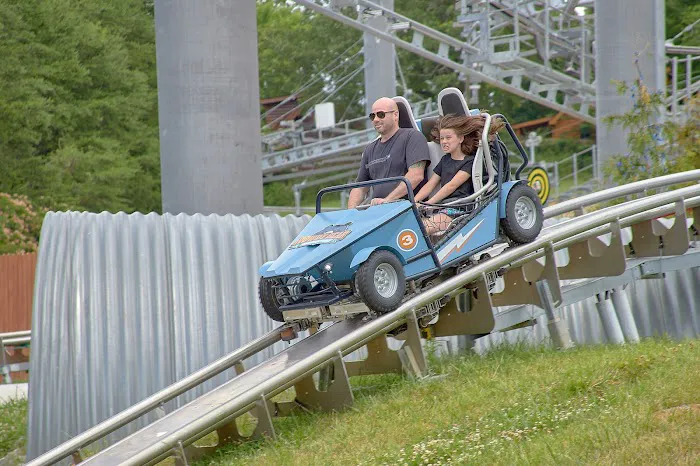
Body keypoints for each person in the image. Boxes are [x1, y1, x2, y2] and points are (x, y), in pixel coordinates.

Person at [413, 114, 503, 236]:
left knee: (422, 230)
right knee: (413, 228)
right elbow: (430, 184)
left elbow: (451, 186)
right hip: (443, 206)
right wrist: (414, 202)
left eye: (448, 138)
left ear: (460, 138)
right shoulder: (445, 160)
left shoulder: (469, 161)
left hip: (459, 207)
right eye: (442, 138)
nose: (444, 142)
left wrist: (428, 204)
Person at [347, 97, 431, 209]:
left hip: (407, 209)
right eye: (372, 116)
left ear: (395, 115)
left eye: (381, 114)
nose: (375, 119)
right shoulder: (369, 149)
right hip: (378, 211)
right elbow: (360, 188)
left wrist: (388, 201)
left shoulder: (413, 137)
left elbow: (416, 176)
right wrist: (350, 214)